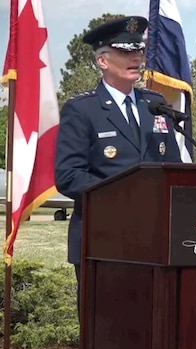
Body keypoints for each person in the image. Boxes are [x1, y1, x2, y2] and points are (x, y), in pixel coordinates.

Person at [54, 16, 183, 308]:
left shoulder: (155, 104)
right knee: (106, 334)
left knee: (153, 328)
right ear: (103, 61)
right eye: (126, 51)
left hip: (154, 240)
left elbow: (174, 170)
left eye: (138, 51)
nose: (136, 57)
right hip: (102, 240)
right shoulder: (82, 110)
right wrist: (124, 193)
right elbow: (68, 175)